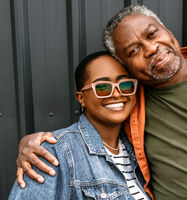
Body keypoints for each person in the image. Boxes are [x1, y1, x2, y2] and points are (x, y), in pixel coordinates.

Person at [16, 5, 187, 200]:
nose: (151, 48)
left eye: (152, 34)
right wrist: (34, 144)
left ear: (167, 29)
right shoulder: (130, 102)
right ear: (127, 65)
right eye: (133, 51)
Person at [9, 51, 151, 199]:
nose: (116, 94)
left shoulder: (139, 147)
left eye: (125, 84)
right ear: (81, 98)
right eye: (103, 87)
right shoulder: (55, 152)